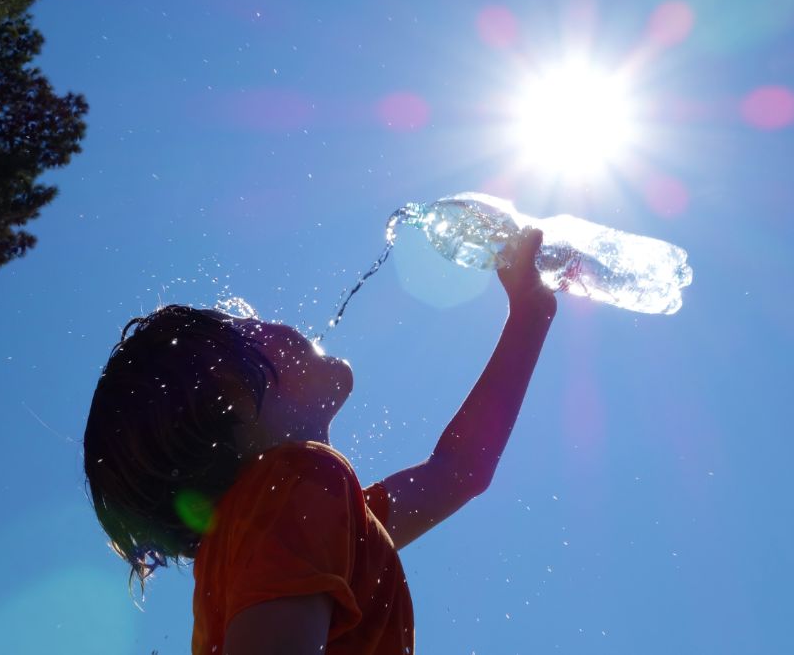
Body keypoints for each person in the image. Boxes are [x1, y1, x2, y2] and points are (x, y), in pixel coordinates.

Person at [84, 228, 556, 654]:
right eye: (247, 328)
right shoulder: (292, 489)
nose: (272, 323)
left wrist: (530, 315)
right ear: (233, 396)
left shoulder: (296, 516)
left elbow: (459, 470)